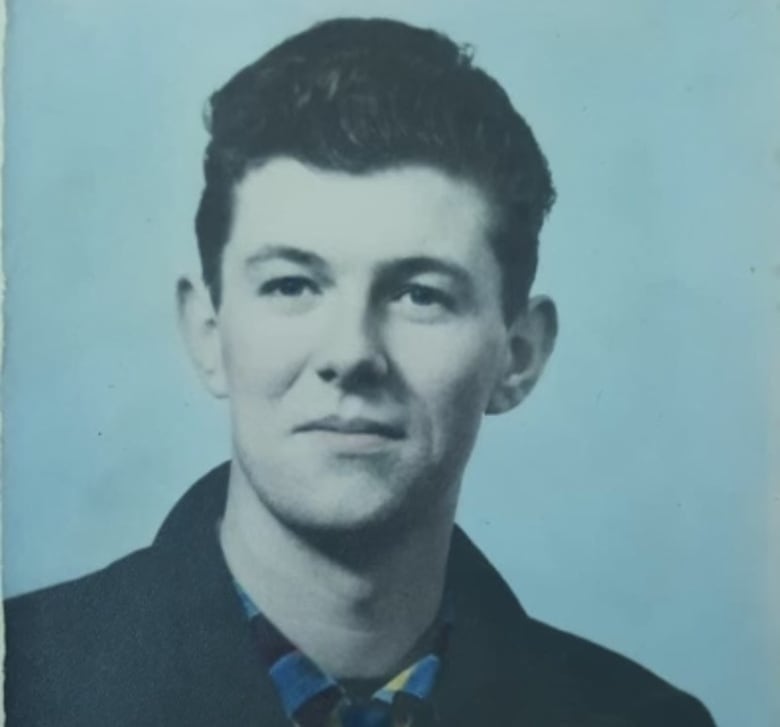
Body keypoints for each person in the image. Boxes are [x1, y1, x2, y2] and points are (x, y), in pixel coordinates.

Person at [4, 17, 715, 727]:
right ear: (209, 335)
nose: (350, 354)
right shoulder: (23, 687)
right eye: (291, 284)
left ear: (518, 356)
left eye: (420, 294)